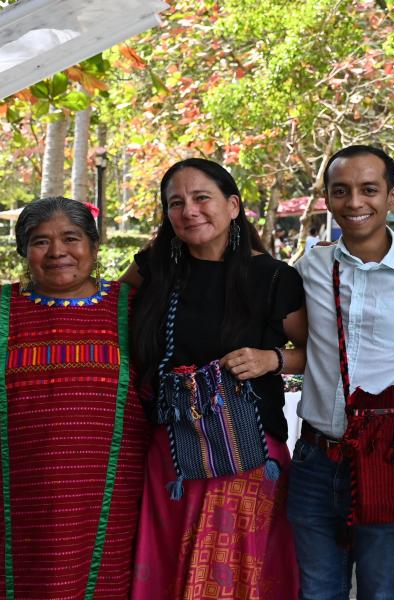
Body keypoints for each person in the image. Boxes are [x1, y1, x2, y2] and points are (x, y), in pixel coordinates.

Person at [0, 197, 149, 599]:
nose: (57, 252)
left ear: (94, 246)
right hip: (7, 507)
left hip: (109, 505)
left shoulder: (131, 309)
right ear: (23, 251)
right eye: (40, 241)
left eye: (71, 238)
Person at [124, 157, 306, 599]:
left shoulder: (272, 277)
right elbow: (102, 315)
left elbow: (317, 354)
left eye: (202, 197)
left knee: (233, 578)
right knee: (169, 574)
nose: (189, 210)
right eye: (176, 203)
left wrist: (271, 360)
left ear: (233, 206)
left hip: (245, 456)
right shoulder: (152, 270)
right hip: (170, 458)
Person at [289, 145, 394, 600]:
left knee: (383, 592)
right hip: (316, 458)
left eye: (369, 189)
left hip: (391, 458)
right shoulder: (311, 267)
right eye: (341, 191)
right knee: (316, 592)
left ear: (392, 196)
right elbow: (299, 343)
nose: (355, 202)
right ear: (327, 199)